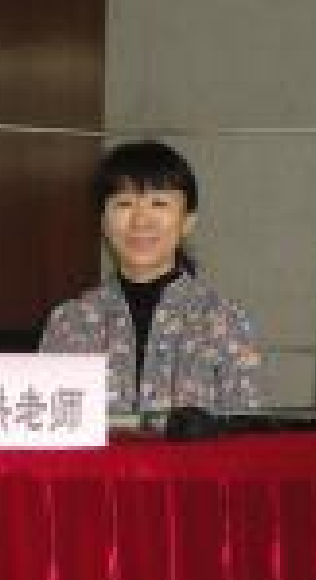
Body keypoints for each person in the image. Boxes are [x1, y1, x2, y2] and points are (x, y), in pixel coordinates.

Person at [39, 140, 264, 415]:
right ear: (103, 221)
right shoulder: (70, 322)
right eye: (124, 204)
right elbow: (50, 424)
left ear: (187, 221)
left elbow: (245, 429)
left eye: (159, 203)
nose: (140, 221)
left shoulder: (223, 321)